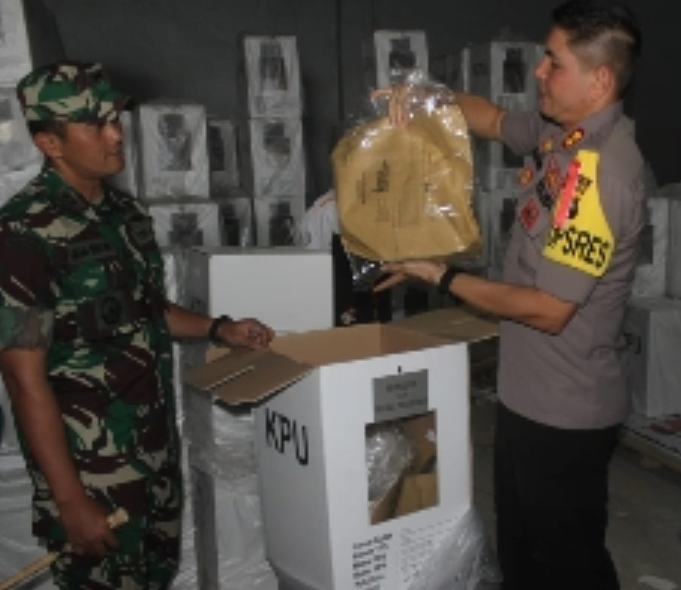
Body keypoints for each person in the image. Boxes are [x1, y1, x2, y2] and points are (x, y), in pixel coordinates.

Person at [376, 2, 644, 589]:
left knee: (568, 566)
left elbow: (549, 310)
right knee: (521, 557)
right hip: (527, 396)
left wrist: (440, 276)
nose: (539, 72)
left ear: (599, 80)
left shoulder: (600, 175)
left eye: (554, 62)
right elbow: (492, 119)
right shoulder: (559, 135)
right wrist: (427, 99)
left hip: (566, 413)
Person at [0, 61, 274, 590]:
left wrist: (219, 329)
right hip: (92, 471)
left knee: (156, 576)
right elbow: (22, 376)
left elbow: (147, 309)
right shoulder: (22, 234)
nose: (114, 135)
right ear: (49, 143)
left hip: (153, 453)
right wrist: (69, 500)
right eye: (93, 125)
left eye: (114, 119)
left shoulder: (124, 215)